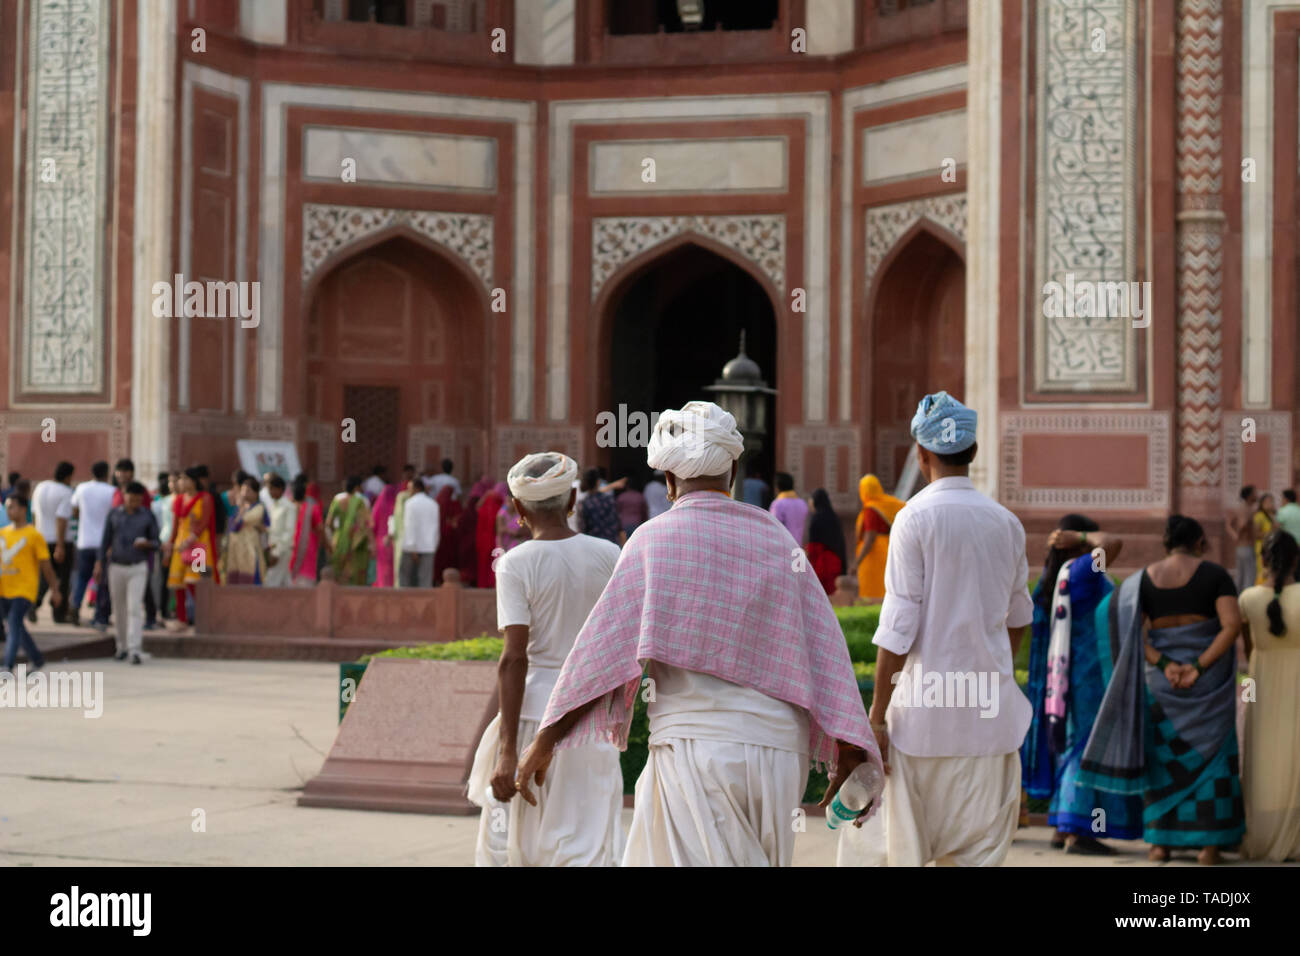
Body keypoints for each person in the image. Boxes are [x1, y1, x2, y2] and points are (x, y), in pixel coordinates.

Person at [516, 401, 882, 867]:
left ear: (668, 481)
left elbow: (602, 656)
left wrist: (543, 743)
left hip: (698, 749)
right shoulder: (776, 539)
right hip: (777, 757)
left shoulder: (653, 540)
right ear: (732, 472)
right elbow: (826, 649)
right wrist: (851, 747)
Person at [839, 391, 1033, 868]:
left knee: (905, 850)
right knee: (976, 854)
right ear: (973, 452)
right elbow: (1019, 619)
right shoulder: (1006, 524)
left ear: (921, 455)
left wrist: (878, 715)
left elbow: (898, 624)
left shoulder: (913, 518)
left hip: (922, 721)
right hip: (989, 719)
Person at [467, 452, 626, 866]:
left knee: (516, 848)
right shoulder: (610, 555)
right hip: (590, 723)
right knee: (586, 847)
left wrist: (507, 752)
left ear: (518, 509)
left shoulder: (515, 564)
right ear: (572, 499)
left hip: (529, 719)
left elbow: (513, 659)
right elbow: (617, 651)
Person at [1080, 515, 1244, 865]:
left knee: (1162, 761)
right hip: (1208, 684)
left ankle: (1159, 846)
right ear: (1200, 541)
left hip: (1162, 683)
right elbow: (1231, 626)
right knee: (1214, 761)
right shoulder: (1216, 575)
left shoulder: (1144, 579)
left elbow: (1130, 633)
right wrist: (1197, 666)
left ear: (1166, 543)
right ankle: (1208, 847)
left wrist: (1164, 662)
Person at [1020, 515, 1142, 854]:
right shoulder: (1083, 572)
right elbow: (1113, 543)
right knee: (1085, 749)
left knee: (1069, 746)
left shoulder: (1050, 579)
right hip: (1089, 675)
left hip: (1062, 678)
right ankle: (1079, 832)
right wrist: (1086, 536)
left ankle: (1062, 827)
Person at [1237, 530, 1300, 861]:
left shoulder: (1247, 598)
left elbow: (1248, 649)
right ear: (1296, 559)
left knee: (1264, 756)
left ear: (1263, 560)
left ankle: (1263, 831)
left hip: (1260, 682)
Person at [1, 493, 62, 674]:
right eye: (7, 507)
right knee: (16, 626)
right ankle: (37, 659)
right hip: (4, 588)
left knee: (13, 624)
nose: (9, 510)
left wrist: (55, 590)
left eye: (12, 506)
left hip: (25, 589)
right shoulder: (2, 534)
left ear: (23, 509)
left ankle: (7, 665)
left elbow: (46, 566)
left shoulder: (34, 535)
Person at [99, 481, 160, 664]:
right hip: (116, 565)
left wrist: (146, 544)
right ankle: (122, 647)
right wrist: (99, 564)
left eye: (137, 500)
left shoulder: (147, 516)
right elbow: (105, 542)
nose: (133, 502)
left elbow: (156, 542)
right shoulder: (114, 514)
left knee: (134, 607)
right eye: (130, 498)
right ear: (123, 496)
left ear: (141, 500)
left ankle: (134, 648)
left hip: (138, 566)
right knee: (119, 608)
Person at [166, 467, 221, 627]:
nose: (181, 482)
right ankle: (181, 619)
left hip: (199, 547)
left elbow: (204, 523)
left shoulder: (205, 498)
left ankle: (205, 617)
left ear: (194, 481)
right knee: (177, 583)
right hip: (180, 546)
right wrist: (170, 544)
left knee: (198, 582)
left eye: (185, 479)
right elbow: (175, 525)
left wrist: (189, 540)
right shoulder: (178, 500)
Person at [69, 461, 117, 630]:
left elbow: (74, 512)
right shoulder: (112, 491)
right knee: (102, 580)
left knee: (82, 577)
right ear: (107, 473)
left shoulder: (81, 489)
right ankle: (100, 614)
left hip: (84, 540)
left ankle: (75, 605)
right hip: (103, 543)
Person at [32, 461, 75, 624]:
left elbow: (35, 514)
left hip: (41, 537)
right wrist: (60, 545)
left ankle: (33, 604)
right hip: (60, 541)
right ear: (68, 476)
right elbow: (61, 519)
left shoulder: (40, 487)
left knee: (44, 576)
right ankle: (59, 614)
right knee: (62, 579)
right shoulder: (65, 492)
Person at [853, 474, 905, 601]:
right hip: (888, 549)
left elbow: (870, 538)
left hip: (874, 556)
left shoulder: (871, 510)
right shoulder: (888, 504)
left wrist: (857, 562)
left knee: (872, 592)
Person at [325, 476, 373, 586]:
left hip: (339, 538)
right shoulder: (361, 501)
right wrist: (370, 542)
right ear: (357, 487)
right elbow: (365, 524)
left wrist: (335, 534)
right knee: (355, 573)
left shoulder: (337, 499)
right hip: (355, 541)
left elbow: (328, 522)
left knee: (339, 571)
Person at [224, 477, 268, 585]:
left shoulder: (259, 508)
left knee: (252, 580)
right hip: (236, 549)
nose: (244, 494)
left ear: (256, 493)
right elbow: (232, 527)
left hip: (250, 550)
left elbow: (242, 521)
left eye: (248, 491)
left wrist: (241, 510)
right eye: (242, 490)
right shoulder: (238, 508)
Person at [805, 488, 847, 597]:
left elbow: (813, 547)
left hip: (821, 563)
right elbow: (841, 544)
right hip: (835, 562)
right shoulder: (834, 517)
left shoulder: (816, 518)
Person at [287, 476, 328, 587]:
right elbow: (320, 528)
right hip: (306, 549)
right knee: (305, 583)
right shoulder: (312, 507)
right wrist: (327, 544)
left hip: (288, 548)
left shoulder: (286, 506)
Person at [399, 480, 439, 588]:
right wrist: (434, 545)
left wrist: (413, 547)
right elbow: (436, 528)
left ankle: (405, 603)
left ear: (416, 489)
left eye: (409, 488)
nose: (408, 491)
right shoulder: (433, 504)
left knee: (406, 580)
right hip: (428, 547)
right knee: (425, 581)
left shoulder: (410, 503)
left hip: (411, 547)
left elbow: (410, 526)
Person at [152, 472, 178, 618]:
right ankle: (165, 611)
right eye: (170, 481)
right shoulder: (166, 501)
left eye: (176, 481)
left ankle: (191, 612)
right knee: (166, 578)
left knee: (195, 577)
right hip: (169, 543)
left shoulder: (200, 499)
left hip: (196, 547)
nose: (173, 484)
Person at [576, 469, 624, 546]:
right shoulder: (609, 500)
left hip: (592, 546)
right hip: (611, 544)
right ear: (598, 482)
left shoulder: (583, 502)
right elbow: (619, 526)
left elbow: (582, 528)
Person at [263, 475, 295, 587]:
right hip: (274, 548)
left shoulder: (288, 506)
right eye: (268, 489)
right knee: (285, 583)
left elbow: (289, 532)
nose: (270, 492)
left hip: (282, 550)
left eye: (272, 488)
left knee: (271, 582)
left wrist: (276, 553)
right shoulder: (274, 506)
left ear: (280, 489)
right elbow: (275, 529)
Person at [1227, 485, 1260, 592]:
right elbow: (1243, 524)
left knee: (1240, 577)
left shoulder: (1239, 508)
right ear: (1250, 495)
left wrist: (1234, 535)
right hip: (1247, 547)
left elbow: (1228, 525)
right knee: (1249, 577)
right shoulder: (1248, 510)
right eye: (1255, 493)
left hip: (1240, 547)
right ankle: (1246, 602)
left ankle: (1237, 601)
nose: (1257, 495)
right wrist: (1240, 533)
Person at [476, 482, 507, 588]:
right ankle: (493, 584)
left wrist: (485, 496)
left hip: (484, 539)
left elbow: (478, 508)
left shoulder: (487, 503)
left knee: (485, 562)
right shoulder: (502, 505)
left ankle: (484, 584)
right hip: (496, 538)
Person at [371, 482, 399, 588]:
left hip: (380, 541)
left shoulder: (379, 505)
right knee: (393, 568)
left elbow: (373, 523)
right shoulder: (396, 506)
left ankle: (383, 587)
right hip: (394, 541)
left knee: (382, 568)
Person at [769, 471, 809, 545]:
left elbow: (773, 529)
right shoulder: (802, 503)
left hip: (783, 548)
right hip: (798, 547)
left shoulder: (778, 504)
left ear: (777, 487)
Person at [433, 485, 462, 585]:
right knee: (449, 559)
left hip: (439, 536)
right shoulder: (454, 504)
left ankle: (437, 580)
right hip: (450, 537)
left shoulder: (436, 503)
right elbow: (457, 520)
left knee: (440, 559)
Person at [1254, 493, 1277, 585]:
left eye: (1271, 502)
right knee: (1263, 572)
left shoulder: (1273, 515)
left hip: (1272, 547)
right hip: (1262, 548)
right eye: (1268, 502)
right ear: (1262, 503)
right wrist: (1270, 532)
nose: (1270, 504)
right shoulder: (1259, 516)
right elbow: (1256, 534)